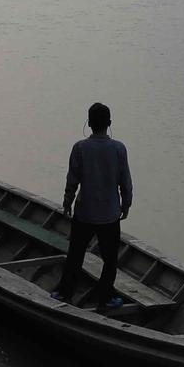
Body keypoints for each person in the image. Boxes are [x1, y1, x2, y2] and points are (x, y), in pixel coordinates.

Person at [55, 102, 133, 308]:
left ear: (89, 123)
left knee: (75, 254)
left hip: (85, 213)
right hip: (109, 214)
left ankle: (65, 292)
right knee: (110, 260)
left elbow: (72, 180)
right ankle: (105, 297)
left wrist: (67, 202)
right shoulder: (118, 149)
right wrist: (127, 204)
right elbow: (125, 180)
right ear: (109, 123)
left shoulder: (80, 148)